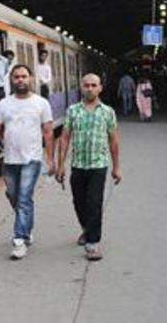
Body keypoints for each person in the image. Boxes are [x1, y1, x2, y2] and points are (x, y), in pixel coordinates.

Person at [0, 64, 55, 260]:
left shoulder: (41, 103)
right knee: (14, 196)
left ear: (31, 78)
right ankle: (26, 228)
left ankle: (19, 241)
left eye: (24, 76)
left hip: (32, 158)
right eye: (17, 77)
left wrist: (50, 159)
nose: (21, 80)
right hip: (10, 159)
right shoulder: (4, 104)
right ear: (11, 80)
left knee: (23, 198)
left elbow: (48, 133)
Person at [56, 74, 122, 261]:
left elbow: (113, 140)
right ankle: (87, 228)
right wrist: (61, 165)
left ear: (100, 88)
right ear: (81, 88)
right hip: (78, 165)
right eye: (86, 85)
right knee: (79, 203)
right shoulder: (73, 111)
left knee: (94, 203)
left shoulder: (107, 112)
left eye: (94, 85)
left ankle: (93, 243)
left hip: (98, 165)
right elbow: (65, 138)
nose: (90, 88)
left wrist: (116, 167)